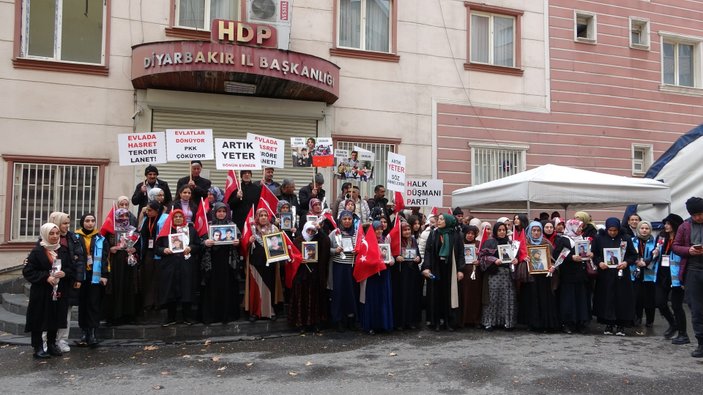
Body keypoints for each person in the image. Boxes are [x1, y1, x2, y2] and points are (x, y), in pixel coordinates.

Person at [24, 223, 75, 359]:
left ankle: (52, 344)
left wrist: (64, 273)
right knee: (39, 318)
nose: (54, 236)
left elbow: (71, 268)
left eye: (57, 233)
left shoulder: (63, 250)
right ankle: (38, 347)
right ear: (45, 234)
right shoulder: (37, 251)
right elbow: (28, 271)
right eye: (51, 234)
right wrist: (46, 277)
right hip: (41, 291)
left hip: (59, 290)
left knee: (56, 316)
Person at [45, 211, 84, 353]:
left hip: (67, 280)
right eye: (64, 223)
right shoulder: (46, 238)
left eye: (68, 223)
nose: (67, 226)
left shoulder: (73, 238)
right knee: (48, 312)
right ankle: (47, 341)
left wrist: (78, 278)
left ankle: (62, 340)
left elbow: (79, 259)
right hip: (50, 282)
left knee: (65, 312)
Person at [591, 218, 637, 337]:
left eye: (615, 230)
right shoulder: (599, 238)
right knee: (607, 298)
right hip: (605, 274)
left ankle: (621, 324)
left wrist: (626, 263)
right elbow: (594, 254)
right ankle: (609, 323)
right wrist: (599, 262)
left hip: (621, 274)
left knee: (621, 299)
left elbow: (633, 255)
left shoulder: (625, 238)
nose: (612, 233)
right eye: (610, 230)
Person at [156, 209, 201, 326]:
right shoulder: (166, 231)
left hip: (186, 265)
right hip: (170, 265)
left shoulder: (190, 230)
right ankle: (171, 318)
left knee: (186, 289)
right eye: (175, 217)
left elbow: (198, 245)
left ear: (184, 218)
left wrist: (190, 248)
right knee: (170, 290)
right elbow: (157, 248)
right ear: (171, 218)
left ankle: (187, 317)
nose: (178, 218)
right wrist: (163, 250)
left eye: (180, 216)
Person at [423, 213, 466, 331]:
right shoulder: (434, 234)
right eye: (438, 219)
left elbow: (461, 253)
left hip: (450, 268)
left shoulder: (456, 235)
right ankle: (436, 321)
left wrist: (461, 270)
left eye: (442, 219)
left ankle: (448, 321)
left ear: (448, 221)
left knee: (449, 294)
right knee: (436, 294)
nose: (439, 221)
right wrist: (426, 267)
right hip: (436, 267)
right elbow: (428, 251)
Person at [515, 221, 560, 332]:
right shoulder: (524, 243)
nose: (536, 233)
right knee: (531, 300)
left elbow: (554, 260)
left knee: (544, 300)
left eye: (538, 230)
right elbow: (516, 257)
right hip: (529, 277)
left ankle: (544, 323)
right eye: (534, 230)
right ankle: (532, 323)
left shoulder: (546, 243)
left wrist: (552, 267)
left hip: (544, 278)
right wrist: (523, 258)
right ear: (530, 231)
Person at [201, 203, 241, 325]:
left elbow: (240, 240)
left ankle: (226, 315)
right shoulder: (209, 226)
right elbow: (199, 241)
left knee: (227, 287)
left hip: (227, 263)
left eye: (224, 211)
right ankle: (213, 315)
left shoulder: (232, 225)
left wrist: (237, 242)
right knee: (213, 287)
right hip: (213, 262)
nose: (221, 213)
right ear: (215, 212)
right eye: (219, 211)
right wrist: (205, 242)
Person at [673, 197, 703, 358]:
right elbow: (676, 246)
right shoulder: (685, 226)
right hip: (692, 269)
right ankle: (701, 343)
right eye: (695, 215)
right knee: (696, 309)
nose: (698, 217)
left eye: (700, 214)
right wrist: (689, 250)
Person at [289, 222, 331, 333]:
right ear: (304, 229)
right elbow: (291, 256)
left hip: (314, 274)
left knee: (314, 300)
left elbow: (327, 243)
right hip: (301, 275)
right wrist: (298, 260)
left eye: (313, 231)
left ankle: (314, 323)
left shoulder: (317, 240)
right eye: (309, 230)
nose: (311, 233)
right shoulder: (297, 241)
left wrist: (320, 230)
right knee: (301, 299)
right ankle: (300, 323)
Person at [74, 213, 109, 348]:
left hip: (95, 276)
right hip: (81, 276)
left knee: (94, 304)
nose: (90, 223)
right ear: (82, 222)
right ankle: (84, 332)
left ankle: (93, 333)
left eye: (92, 221)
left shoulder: (100, 238)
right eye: (87, 221)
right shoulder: (75, 237)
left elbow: (105, 259)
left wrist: (105, 275)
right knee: (83, 304)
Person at [552, 219, 592, 334]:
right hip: (568, 275)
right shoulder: (564, 240)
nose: (581, 229)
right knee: (569, 300)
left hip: (582, 275)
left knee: (581, 299)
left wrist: (590, 254)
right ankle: (568, 323)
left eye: (581, 227)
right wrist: (571, 258)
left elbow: (588, 252)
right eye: (579, 227)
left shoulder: (583, 239)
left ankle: (581, 322)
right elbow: (557, 255)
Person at [655, 214, 689, 345]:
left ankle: (683, 334)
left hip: (676, 277)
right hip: (662, 275)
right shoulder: (661, 237)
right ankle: (673, 324)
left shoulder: (681, 239)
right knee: (660, 302)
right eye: (665, 223)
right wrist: (655, 252)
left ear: (675, 225)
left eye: (668, 223)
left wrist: (683, 278)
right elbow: (657, 250)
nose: (666, 226)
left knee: (677, 306)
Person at [245, 208, 283, 322]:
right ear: (257, 217)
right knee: (256, 289)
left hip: (270, 264)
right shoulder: (252, 229)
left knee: (270, 287)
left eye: (265, 215)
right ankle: (256, 312)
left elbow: (279, 247)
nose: (263, 217)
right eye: (261, 215)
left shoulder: (274, 229)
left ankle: (270, 312)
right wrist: (249, 241)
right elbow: (243, 246)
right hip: (255, 264)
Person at [479, 222, 517, 331]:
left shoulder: (510, 243)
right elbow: (482, 257)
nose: (502, 232)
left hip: (507, 275)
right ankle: (489, 322)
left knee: (507, 298)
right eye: (499, 230)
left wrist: (515, 260)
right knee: (492, 298)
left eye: (504, 230)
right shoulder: (489, 242)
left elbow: (516, 256)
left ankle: (507, 323)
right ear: (495, 231)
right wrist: (494, 260)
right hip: (493, 275)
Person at [104, 208, 139, 326]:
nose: (124, 218)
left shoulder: (133, 231)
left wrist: (135, 249)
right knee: (116, 287)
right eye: (121, 216)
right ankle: (115, 316)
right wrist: (110, 249)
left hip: (129, 263)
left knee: (129, 286)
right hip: (116, 264)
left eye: (126, 216)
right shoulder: (111, 231)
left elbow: (139, 247)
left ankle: (128, 315)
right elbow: (104, 246)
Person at [359, 221, 394, 335]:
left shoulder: (386, 240)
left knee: (383, 298)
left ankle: (384, 324)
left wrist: (391, 260)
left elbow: (391, 255)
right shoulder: (366, 242)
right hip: (372, 275)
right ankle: (371, 325)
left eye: (381, 229)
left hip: (384, 273)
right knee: (373, 299)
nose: (379, 231)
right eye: (376, 229)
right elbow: (363, 258)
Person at [330, 210, 359, 331]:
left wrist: (358, 251)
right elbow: (326, 248)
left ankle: (351, 319)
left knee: (351, 293)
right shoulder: (334, 233)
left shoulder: (357, 233)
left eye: (349, 219)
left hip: (352, 267)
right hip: (339, 267)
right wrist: (334, 250)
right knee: (339, 293)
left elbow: (363, 247)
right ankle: (338, 320)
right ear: (340, 220)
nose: (347, 221)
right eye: (344, 219)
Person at [631, 220, 658, 334]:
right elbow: (628, 254)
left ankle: (650, 320)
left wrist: (646, 263)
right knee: (637, 297)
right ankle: (636, 318)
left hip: (649, 273)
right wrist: (636, 261)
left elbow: (656, 256)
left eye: (647, 228)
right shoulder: (633, 241)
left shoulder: (654, 242)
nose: (644, 230)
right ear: (638, 229)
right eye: (642, 228)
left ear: (650, 230)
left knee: (649, 299)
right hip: (636, 272)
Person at [139, 201, 164, 312]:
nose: (147, 212)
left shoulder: (162, 220)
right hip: (147, 252)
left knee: (157, 278)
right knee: (148, 278)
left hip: (158, 252)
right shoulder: (146, 220)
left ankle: (157, 302)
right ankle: (148, 303)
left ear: (156, 211)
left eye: (150, 210)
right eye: (147, 210)